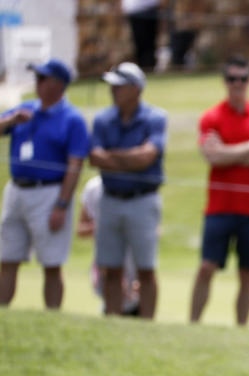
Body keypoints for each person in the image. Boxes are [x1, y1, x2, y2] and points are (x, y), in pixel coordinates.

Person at [189, 55, 249, 327]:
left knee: (248, 272)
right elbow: (211, 156)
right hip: (220, 206)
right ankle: (193, 323)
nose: (237, 84)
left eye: (242, 79)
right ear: (224, 82)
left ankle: (241, 328)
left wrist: (228, 151)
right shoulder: (211, 117)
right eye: (232, 79)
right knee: (207, 267)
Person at [0, 59, 88, 310]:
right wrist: (10, 121)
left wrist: (62, 204)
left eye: (42, 79)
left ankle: (51, 315)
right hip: (16, 190)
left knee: (50, 262)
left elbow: (75, 165)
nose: (36, 83)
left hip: (48, 193)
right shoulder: (24, 110)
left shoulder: (72, 119)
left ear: (58, 85)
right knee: (7, 257)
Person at [90, 62, 167, 320]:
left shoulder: (155, 117)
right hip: (110, 199)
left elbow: (147, 157)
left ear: (135, 89)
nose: (112, 90)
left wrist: (112, 159)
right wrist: (129, 160)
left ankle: (145, 324)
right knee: (110, 268)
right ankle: (113, 319)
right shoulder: (102, 119)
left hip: (142, 200)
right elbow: (95, 157)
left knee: (146, 269)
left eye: (119, 86)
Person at [76, 175, 141, 316]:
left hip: (133, 265)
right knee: (113, 304)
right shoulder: (94, 187)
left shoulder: (140, 183)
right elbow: (81, 229)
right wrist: (104, 227)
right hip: (106, 262)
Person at [123, 0, 161, 71]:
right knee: (140, 45)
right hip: (134, 11)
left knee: (148, 46)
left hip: (149, 10)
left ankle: (148, 68)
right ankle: (143, 68)